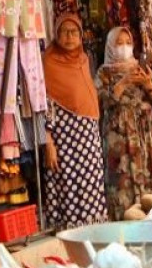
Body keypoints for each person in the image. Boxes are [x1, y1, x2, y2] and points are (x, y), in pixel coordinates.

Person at [41, 14, 108, 231]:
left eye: (74, 32)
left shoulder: (84, 59)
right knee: (68, 183)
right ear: (56, 34)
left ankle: (94, 229)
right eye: (64, 31)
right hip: (64, 136)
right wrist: (48, 143)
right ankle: (72, 232)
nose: (69, 37)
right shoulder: (48, 62)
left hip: (88, 135)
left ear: (80, 36)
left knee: (92, 182)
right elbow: (44, 105)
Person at [96, 26, 152, 219]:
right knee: (122, 176)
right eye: (119, 43)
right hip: (119, 132)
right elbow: (101, 101)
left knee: (150, 174)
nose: (124, 47)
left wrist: (147, 84)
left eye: (128, 43)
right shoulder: (104, 72)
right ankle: (124, 220)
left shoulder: (141, 67)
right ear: (110, 46)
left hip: (146, 131)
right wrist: (123, 83)